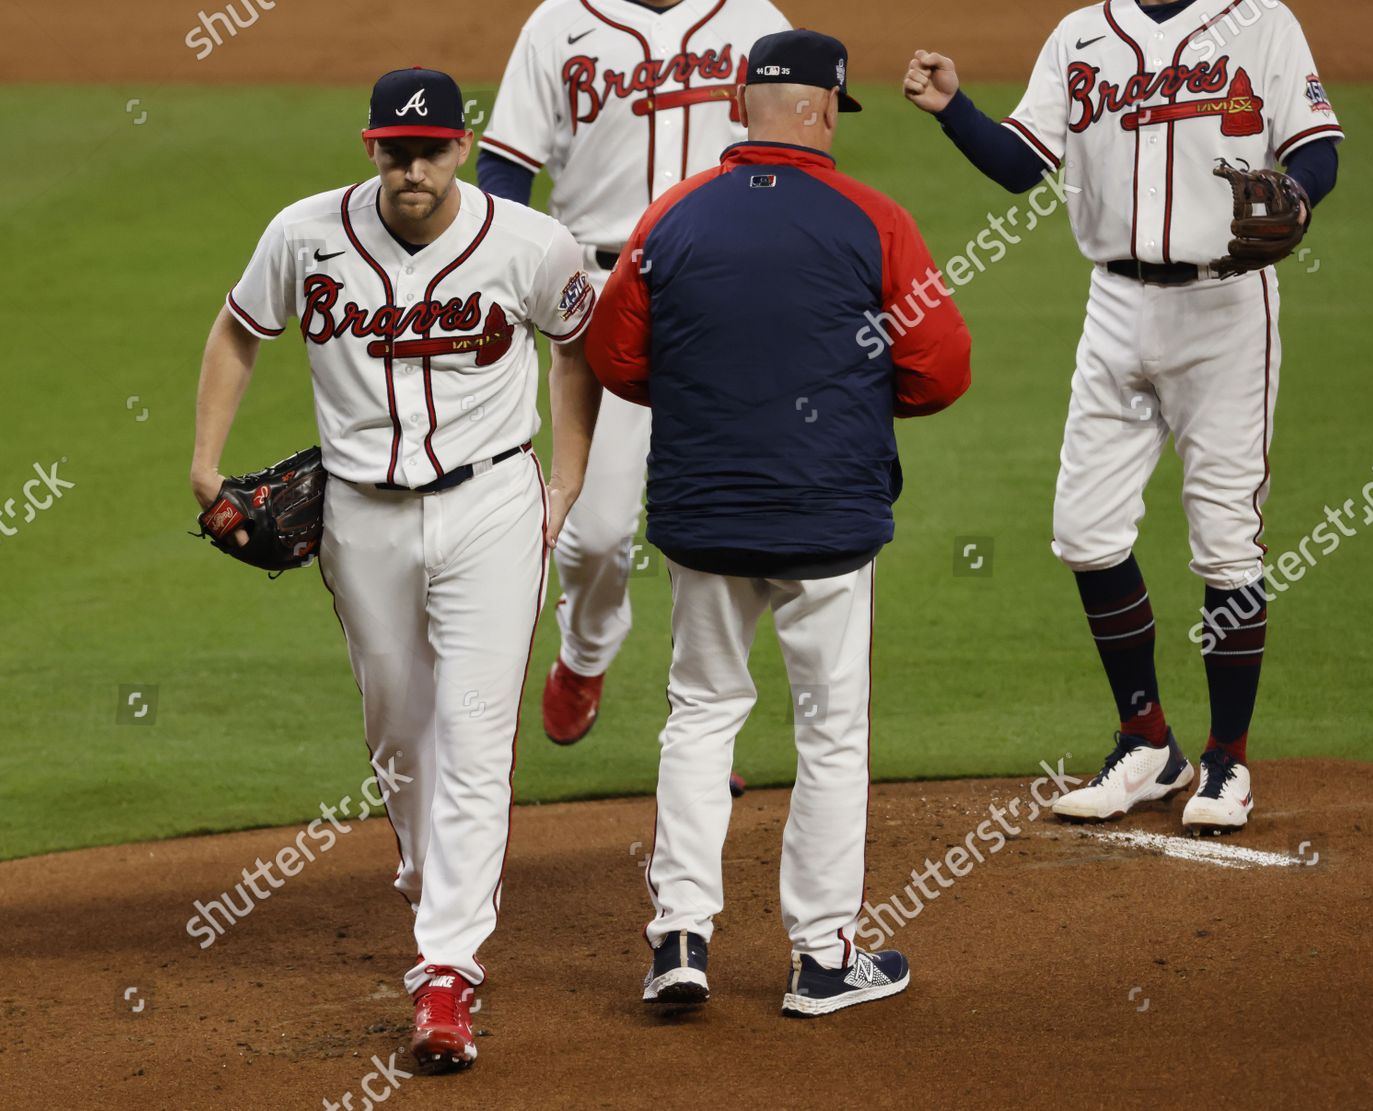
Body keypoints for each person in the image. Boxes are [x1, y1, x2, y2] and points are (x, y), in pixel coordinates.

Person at [190, 67, 603, 1073]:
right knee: (400, 732)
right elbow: (241, 329)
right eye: (393, 151)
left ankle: (448, 972)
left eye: (429, 151)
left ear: (463, 146)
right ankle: (434, 886)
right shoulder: (304, 233)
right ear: (368, 147)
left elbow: (581, 348)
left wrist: (567, 485)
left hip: (492, 507)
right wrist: (203, 462)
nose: (411, 170)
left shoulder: (530, 243)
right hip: (358, 517)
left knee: (472, 732)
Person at [587, 29, 972, 1016]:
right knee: (831, 733)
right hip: (827, 520)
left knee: (702, 711)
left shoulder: (670, 216)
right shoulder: (876, 218)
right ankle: (821, 959)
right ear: (831, 107)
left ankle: (680, 937)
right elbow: (940, 368)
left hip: (702, 519)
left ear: (736, 100)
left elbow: (614, 357)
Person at [904, 0, 1343, 832]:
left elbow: (1315, 149)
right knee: (1084, 530)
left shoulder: (1262, 23)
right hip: (1114, 306)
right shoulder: (1082, 33)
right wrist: (954, 109)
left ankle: (1228, 758)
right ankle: (1149, 743)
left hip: (1227, 307)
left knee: (1224, 538)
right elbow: (1018, 163)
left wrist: (1300, 193)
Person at [479, 0, 791, 749]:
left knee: (726, 527)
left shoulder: (752, 19)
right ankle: (585, 652)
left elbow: (794, 155)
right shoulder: (559, 23)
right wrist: (490, 277)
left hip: (725, 296)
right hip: (595, 294)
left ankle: (706, 728)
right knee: (591, 535)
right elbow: (505, 166)